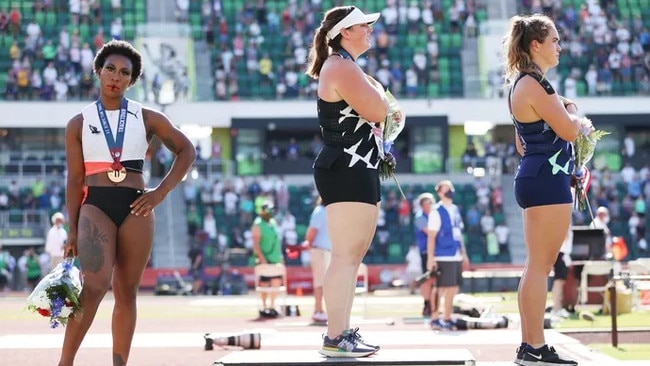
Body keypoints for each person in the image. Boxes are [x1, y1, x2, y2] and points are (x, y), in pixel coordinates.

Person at [59, 39, 196, 366]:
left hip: (137, 205)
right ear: (98, 71)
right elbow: (75, 180)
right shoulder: (78, 123)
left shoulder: (147, 117)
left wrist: (159, 193)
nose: (115, 77)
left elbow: (187, 150)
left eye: (124, 72)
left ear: (132, 80)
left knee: (126, 292)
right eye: (109, 69)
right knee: (94, 286)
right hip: (96, 204)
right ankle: (64, 363)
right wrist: (73, 229)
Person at [305, 5, 391, 358]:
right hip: (347, 165)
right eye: (363, 25)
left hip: (357, 165)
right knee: (344, 256)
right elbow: (379, 111)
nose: (369, 30)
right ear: (345, 32)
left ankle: (341, 333)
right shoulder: (341, 66)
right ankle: (335, 335)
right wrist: (382, 97)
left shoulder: (344, 66)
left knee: (351, 257)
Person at [503, 13, 582, 365]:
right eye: (554, 41)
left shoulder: (523, 84)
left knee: (535, 266)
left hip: (536, 174)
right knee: (540, 267)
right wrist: (575, 113)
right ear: (536, 45)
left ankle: (531, 345)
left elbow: (522, 145)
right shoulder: (534, 84)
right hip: (546, 180)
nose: (559, 47)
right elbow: (568, 130)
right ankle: (533, 346)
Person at [426, 180, 469, 330]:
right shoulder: (436, 211)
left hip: (456, 253)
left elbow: (458, 234)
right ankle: (434, 318)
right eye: (446, 189)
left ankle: (447, 317)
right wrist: (431, 258)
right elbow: (431, 236)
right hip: (443, 254)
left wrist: (464, 253)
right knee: (440, 287)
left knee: (454, 287)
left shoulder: (455, 209)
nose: (450, 191)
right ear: (439, 193)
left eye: (451, 188)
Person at [301, 196, 331, 323]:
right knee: (324, 282)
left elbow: (312, 232)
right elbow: (313, 231)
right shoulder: (326, 211)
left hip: (324, 250)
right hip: (325, 250)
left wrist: (308, 242)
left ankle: (320, 310)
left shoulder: (323, 211)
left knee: (323, 282)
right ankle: (321, 310)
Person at [251, 202, 283, 318]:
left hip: (275, 258)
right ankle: (264, 307)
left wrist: (280, 257)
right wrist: (261, 258)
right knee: (264, 283)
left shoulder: (273, 223)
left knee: (276, 282)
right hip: (265, 259)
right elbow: (255, 243)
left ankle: (273, 306)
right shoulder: (258, 224)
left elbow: (277, 241)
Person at [413, 192, 435, 315]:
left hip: (436, 251)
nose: (431, 205)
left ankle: (433, 304)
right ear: (423, 205)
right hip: (426, 251)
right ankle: (427, 304)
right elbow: (431, 233)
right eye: (429, 203)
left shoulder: (433, 215)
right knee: (427, 278)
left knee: (434, 278)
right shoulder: (420, 217)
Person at [550, 228, 572, 319]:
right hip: (561, 254)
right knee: (558, 282)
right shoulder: (563, 221)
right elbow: (565, 237)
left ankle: (558, 308)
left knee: (560, 283)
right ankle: (556, 308)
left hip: (563, 255)